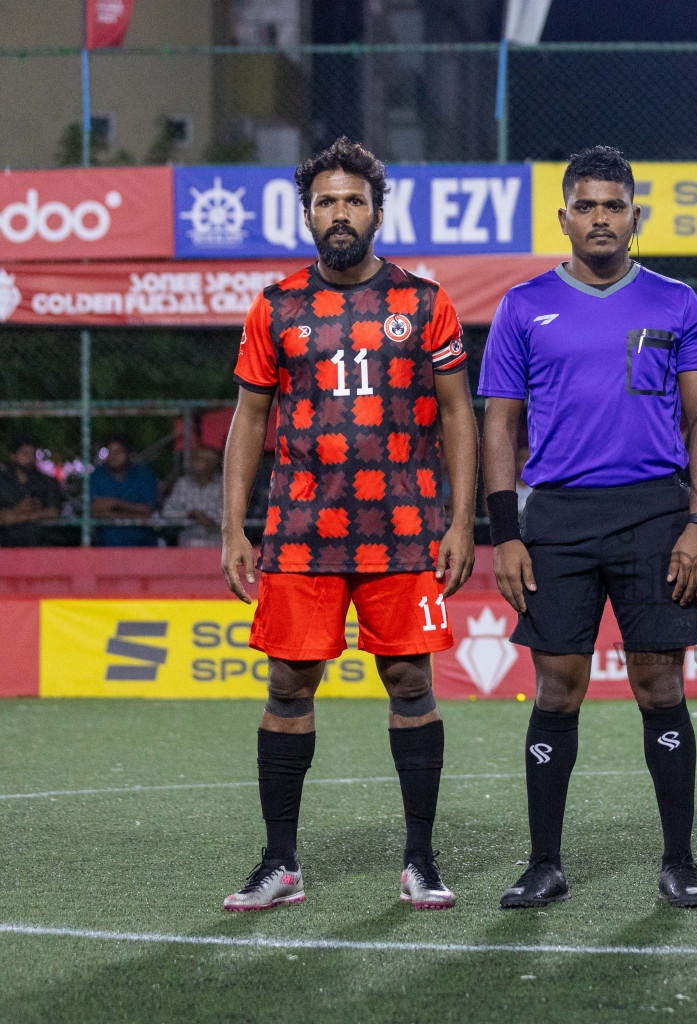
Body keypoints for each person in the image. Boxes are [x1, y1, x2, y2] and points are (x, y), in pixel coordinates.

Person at [219, 137, 478, 913]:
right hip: (300, 532)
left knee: (410, 682)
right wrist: (236, 528)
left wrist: (464, 521)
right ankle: (280, 863)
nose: (340, 213)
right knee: (288, 684)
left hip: (404, 531)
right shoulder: (275, 306)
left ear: (376, 212)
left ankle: (421, 861)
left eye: (353, 201)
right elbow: (249, 419)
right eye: (327, 201)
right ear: (307, 213)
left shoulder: (425, 302)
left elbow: (460, 413)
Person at [480, 146, 697, 910]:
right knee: (559, 685)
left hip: (655, 510)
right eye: (585, 206)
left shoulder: (677, 302)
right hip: (554, 515)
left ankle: (679, 860)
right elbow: (499, 425)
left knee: (659, 681)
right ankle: (543, 862)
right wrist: (505, 531)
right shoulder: (523, 307)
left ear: (635, 216)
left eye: (613, 205)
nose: (599, 219)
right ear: (564, 218)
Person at [90, 436, 159, 547]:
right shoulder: (97, 475)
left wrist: (115, 504)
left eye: (118, 452)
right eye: (110, 452)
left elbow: (148, 510)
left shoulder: (144, 475)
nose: (113, 456)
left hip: (141, 545)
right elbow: (94, 511)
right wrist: (133, 513)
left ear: (128, 453)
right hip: (105, 545)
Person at [0, 437, 65, 547]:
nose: (30, 459)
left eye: (33, 454)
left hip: (41, 543)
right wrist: (18, 510)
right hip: (6, 543)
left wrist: (17, 516)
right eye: (25, 454)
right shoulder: (3, 481)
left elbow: (54, 512)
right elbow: (3, 516)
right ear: (13, 456)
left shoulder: (47, 482)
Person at [161, 444, 224, 547]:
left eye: (200, 459)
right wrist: (189, 515)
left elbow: (235, 520)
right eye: (194, 458)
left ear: (213, 462)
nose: (195, 463)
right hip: (187, 547)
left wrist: (211, 522)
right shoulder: (182, 484)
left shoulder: (226, 486)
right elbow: (167, 513)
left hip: (217, 547)